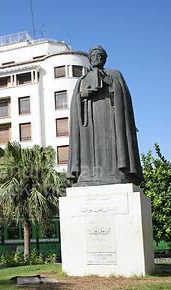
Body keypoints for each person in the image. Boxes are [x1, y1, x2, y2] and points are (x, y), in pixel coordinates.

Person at [67, 45, 143, 187]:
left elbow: (125, 98)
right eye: (94, 56)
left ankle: (118, 173)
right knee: (89, 147)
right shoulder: (83, 79)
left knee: (112, 145)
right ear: (89, 60)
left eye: (100, 55)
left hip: (111, 120)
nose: (97, 58)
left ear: (105, 59)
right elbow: (74, 104)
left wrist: (111, 84)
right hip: (89, 123)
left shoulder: (114, 74)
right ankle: (88, 175)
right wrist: (83, 95)